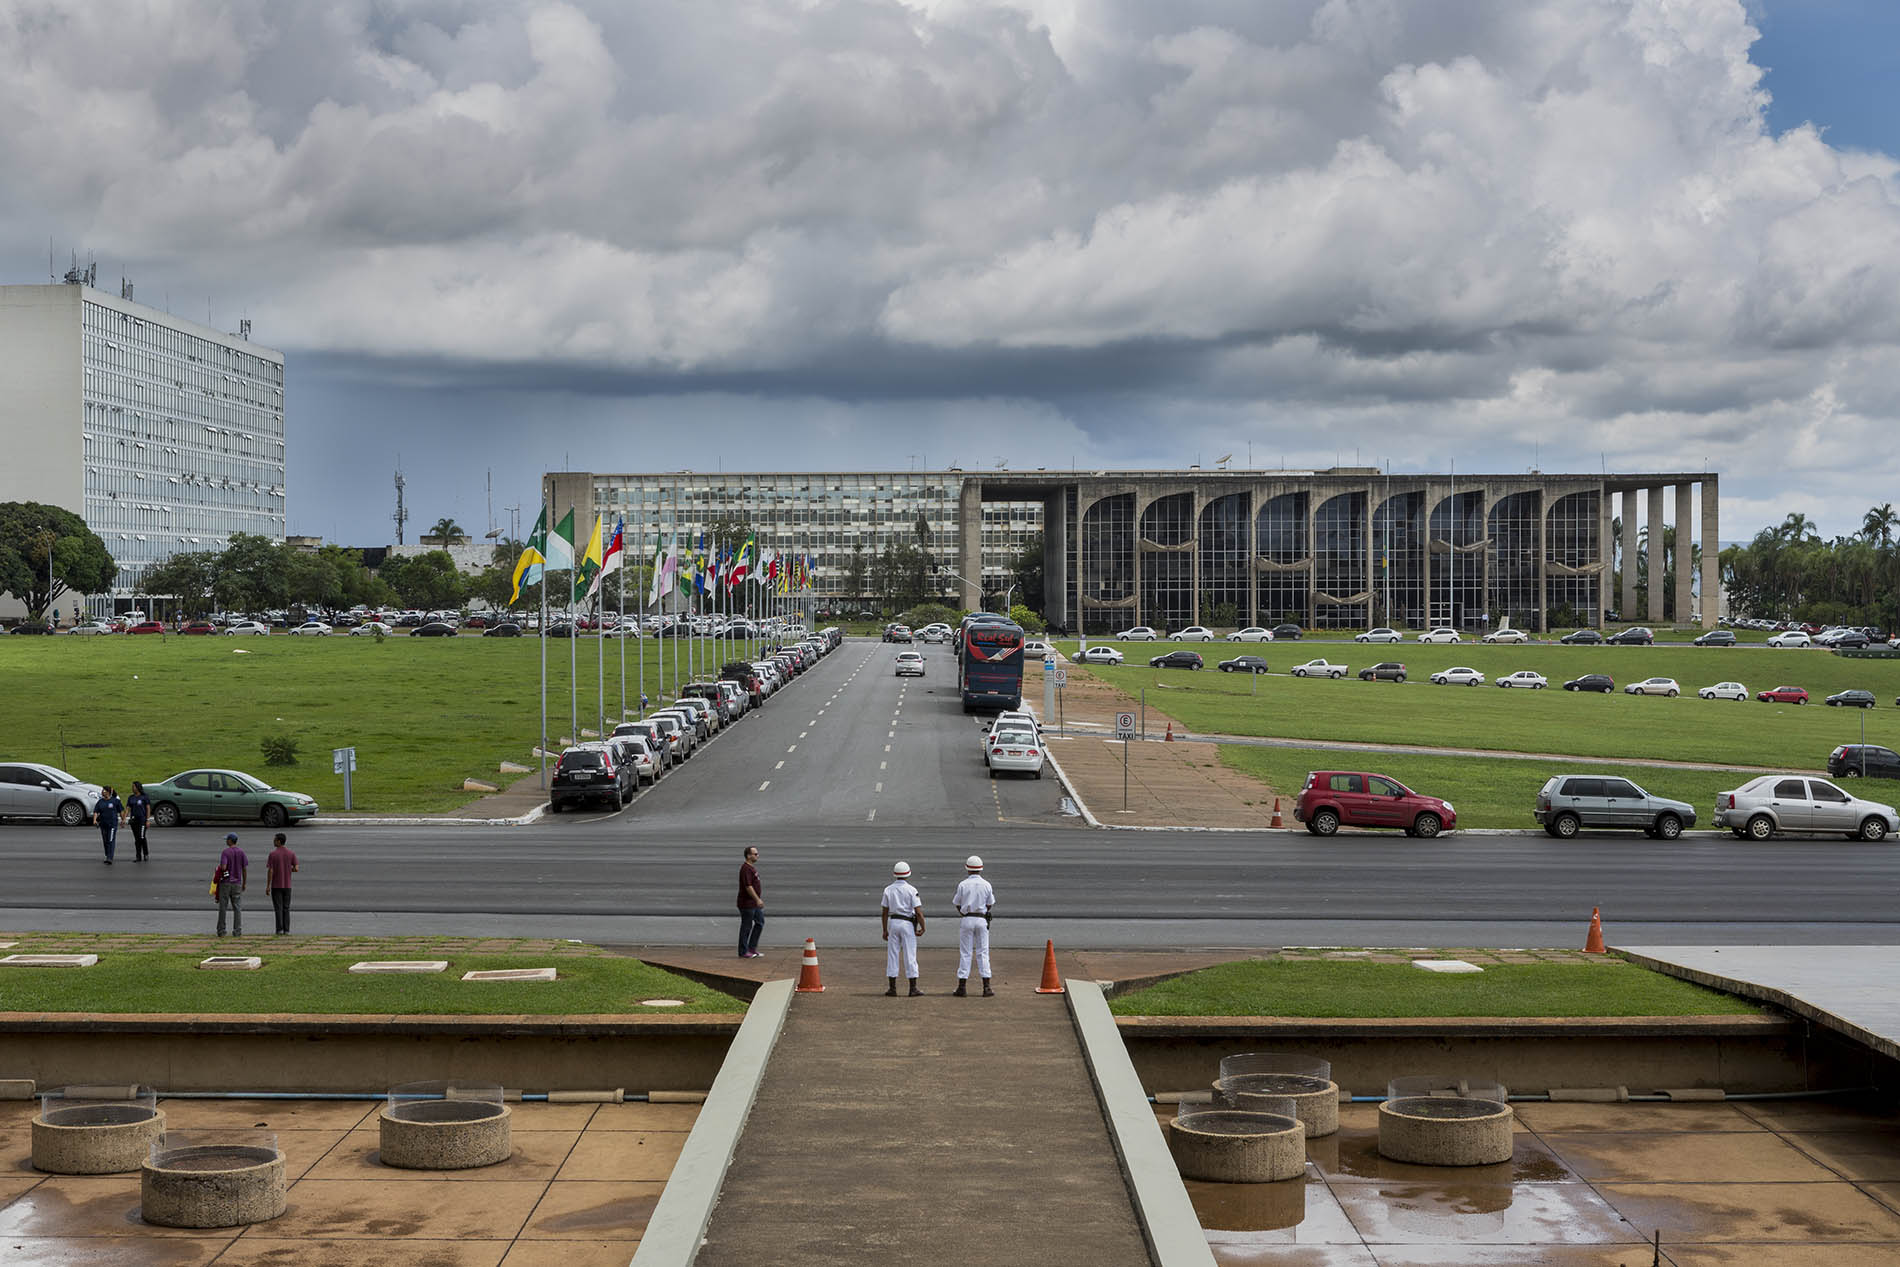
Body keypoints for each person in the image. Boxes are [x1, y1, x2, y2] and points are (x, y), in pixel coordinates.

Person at [952, 855, 996, 997]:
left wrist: (965, 913)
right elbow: (989, 904)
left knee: (965, 953)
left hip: (967, 919)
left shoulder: (963, 884)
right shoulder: (987, 884)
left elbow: (957, 904)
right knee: (983, 952)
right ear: (980, 869)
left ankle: (962, 987)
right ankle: (986, 987)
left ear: (967, 869)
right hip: (981, 919)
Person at [880, 860, 924, 997]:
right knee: (910, 955)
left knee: (892, 954)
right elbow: (918, 912)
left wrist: (885, 930)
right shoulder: (911, 890)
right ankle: (913, 988)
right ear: (908, 874)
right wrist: (923, 927)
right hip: (907, 924)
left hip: (894, 922)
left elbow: (884, 912)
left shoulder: (888, 889)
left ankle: (892, 988)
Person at [214, 832, 248, 936]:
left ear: (230, 840)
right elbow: (244, 868)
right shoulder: (241, 852)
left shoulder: (225, 852)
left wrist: (218, 868)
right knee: (237, 907)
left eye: (227, 839)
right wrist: (244, 883)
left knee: (223, 907)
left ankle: (221, 930)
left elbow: (223, 867)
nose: (226, 841)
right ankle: (237, 930)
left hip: (226, 883)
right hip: (237, 883)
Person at [266, 832, 299, 935]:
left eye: (275, 839)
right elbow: (296, 868)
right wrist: (288, 869)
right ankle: (287, 930)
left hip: (276, 885)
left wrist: (268, 885)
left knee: (278, 908)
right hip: (287, 885)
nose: (273, 841)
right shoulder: (291, 853)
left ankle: (279, 929)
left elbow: (270, 871)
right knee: (286, 908)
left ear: (279, 841)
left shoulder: (273, 854)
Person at [737, 846, 765, 958]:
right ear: (748, 855)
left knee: (760, 922)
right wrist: (757, 899)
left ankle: (752, 948)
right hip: (747, 903)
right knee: (746, 926)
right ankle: (743, 951)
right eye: (755, 854)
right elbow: (748, 886)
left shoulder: (751, 868)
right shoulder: (746, 869)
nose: (757, 856)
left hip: (753, 904)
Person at [91, 785, 123, 865]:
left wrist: (123, 820)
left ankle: (110, 858)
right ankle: (107, 854)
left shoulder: (115, 801)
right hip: (103, 824)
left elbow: (121, 811)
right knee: (105, 841)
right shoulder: (100, 801)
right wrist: (94, 820)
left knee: (111, 840)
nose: (102, 792)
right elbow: (96, 811)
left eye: (104, 791)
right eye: (102, 790)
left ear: (108, 793)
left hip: (112, 824)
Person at [125, 781, 152, 863]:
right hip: (134, 820)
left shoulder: (144, 797)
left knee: (141, 837)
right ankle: (138, 856)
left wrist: (147, 820)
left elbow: (148, 808)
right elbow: (128, 808)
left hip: (142, 820)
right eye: (132, 786)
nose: (132, 788)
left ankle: (146, 853)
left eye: (134, 786)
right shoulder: (131, 797)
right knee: (137, 839)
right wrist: (124, 819)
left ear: (138, 787)